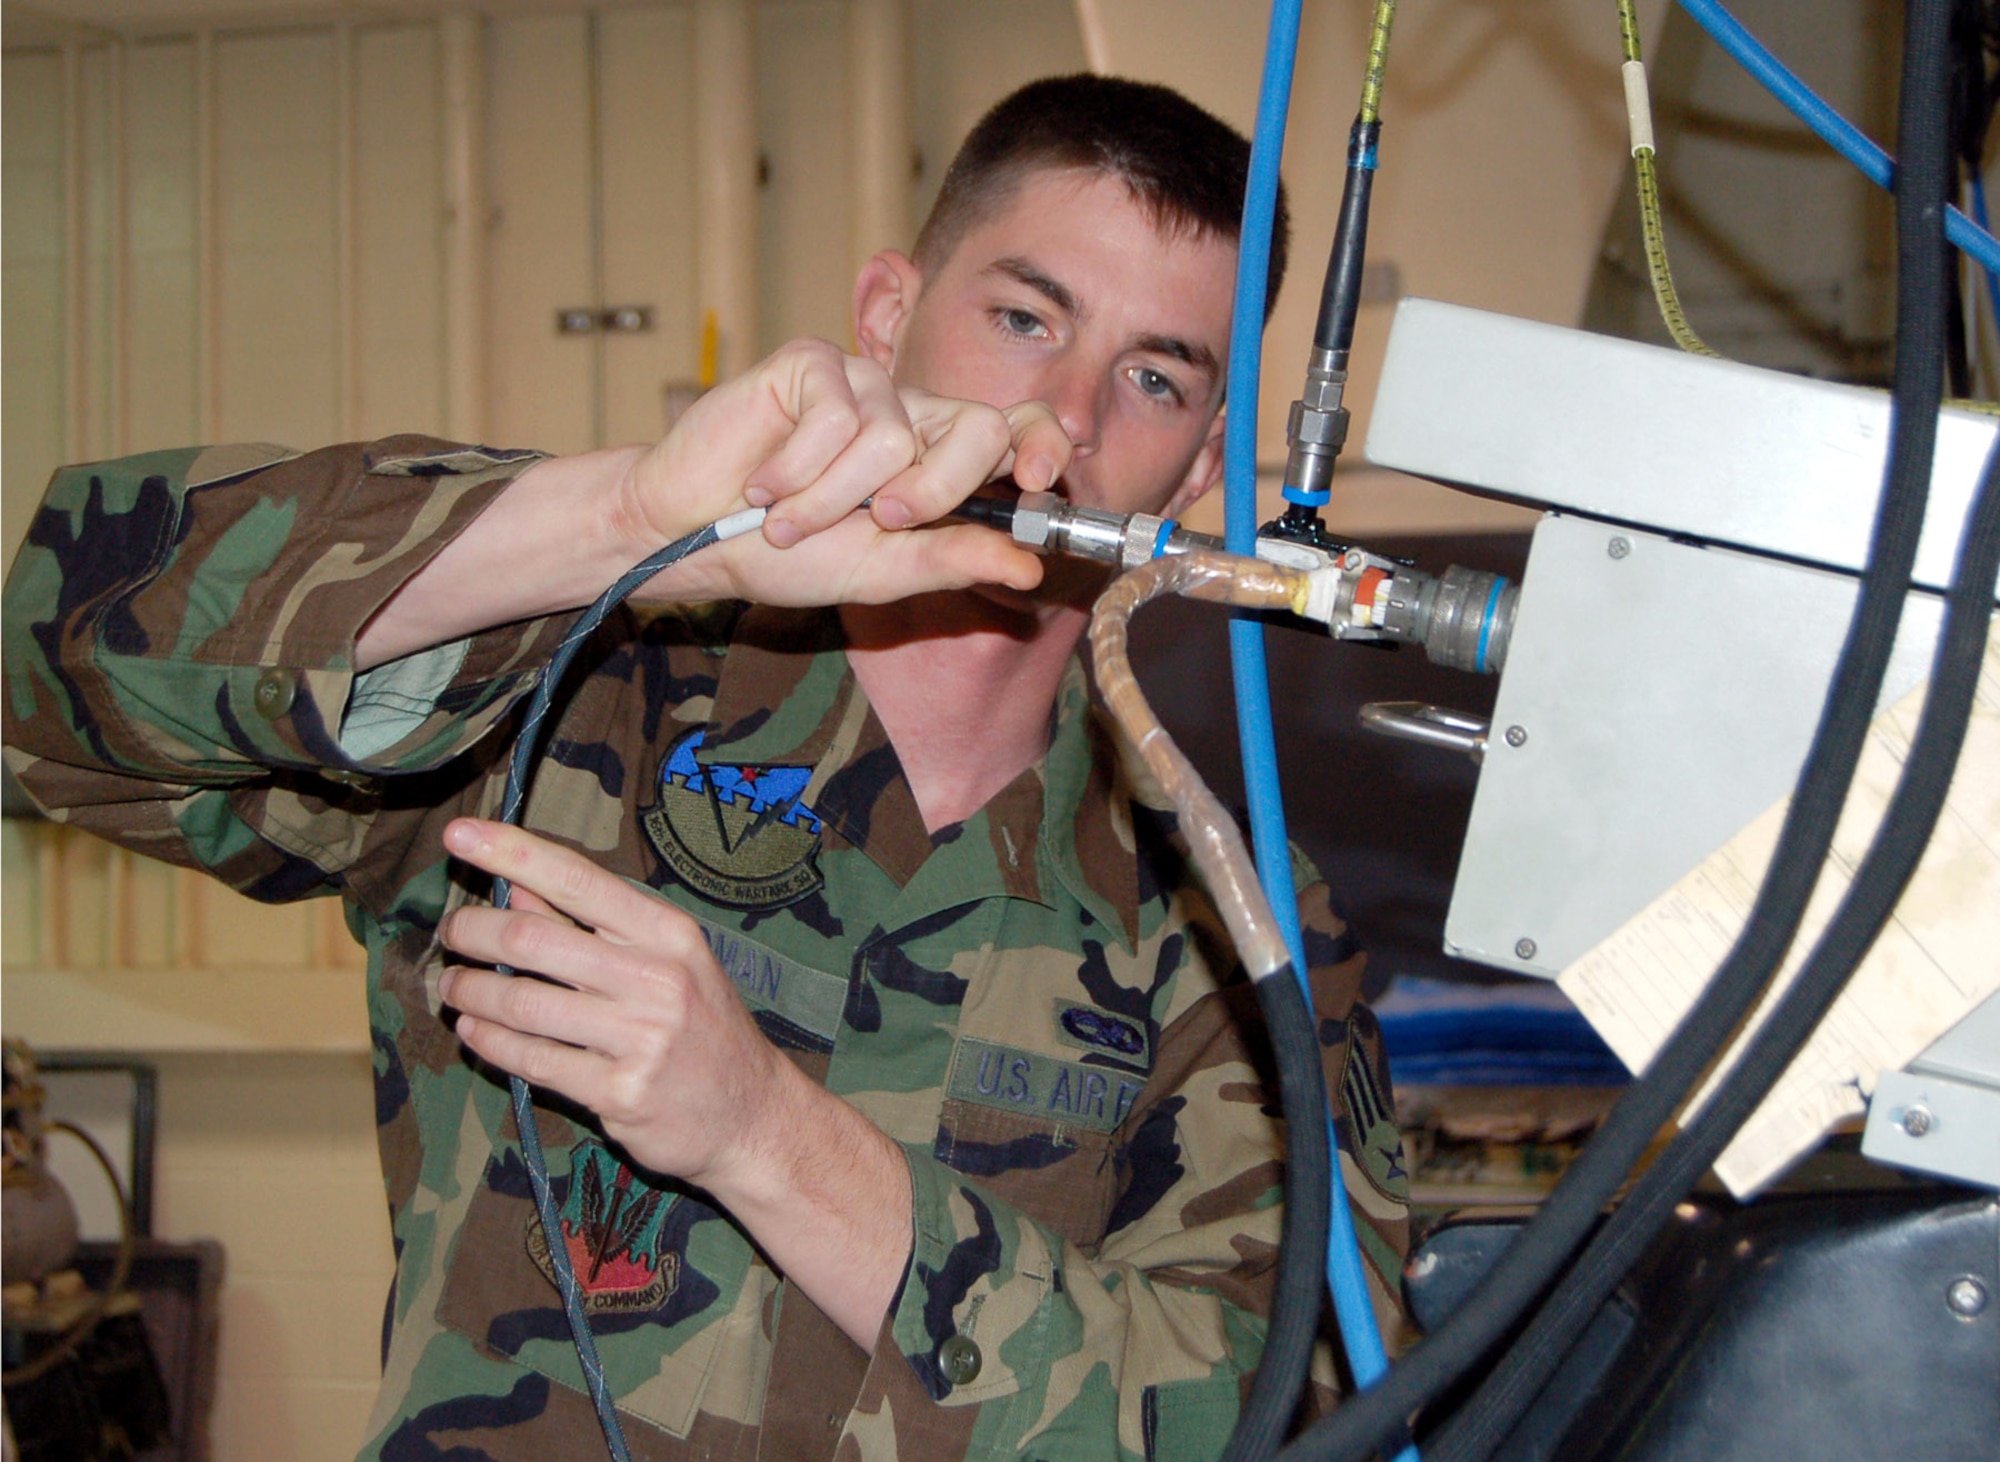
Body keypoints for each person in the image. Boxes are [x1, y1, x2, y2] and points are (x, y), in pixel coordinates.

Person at [3, 74, 1408, 1462]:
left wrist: (769, 1137)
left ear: (1201, 465)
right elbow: (49, 675)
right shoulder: (567, 705)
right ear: (886, 316)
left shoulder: (1239, 926)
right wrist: (626, 521)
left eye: (1152, 376)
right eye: (1023, 317)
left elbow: (1308, 1407)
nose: (1066, 421)